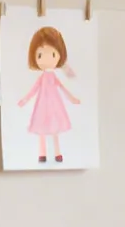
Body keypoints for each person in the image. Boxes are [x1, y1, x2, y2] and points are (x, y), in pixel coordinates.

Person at [17, 25, 80, 163]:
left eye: (52, 54)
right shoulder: (42, 78)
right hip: (42, 105)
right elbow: (34, 89)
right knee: (42, 129)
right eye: (39, 55)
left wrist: (72, 98)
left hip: (54, 104)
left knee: (55, 128)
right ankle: (42, 154)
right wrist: (24, 100)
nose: (46, 59)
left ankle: (57, 153)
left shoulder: (53, 77)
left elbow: (62, 88)